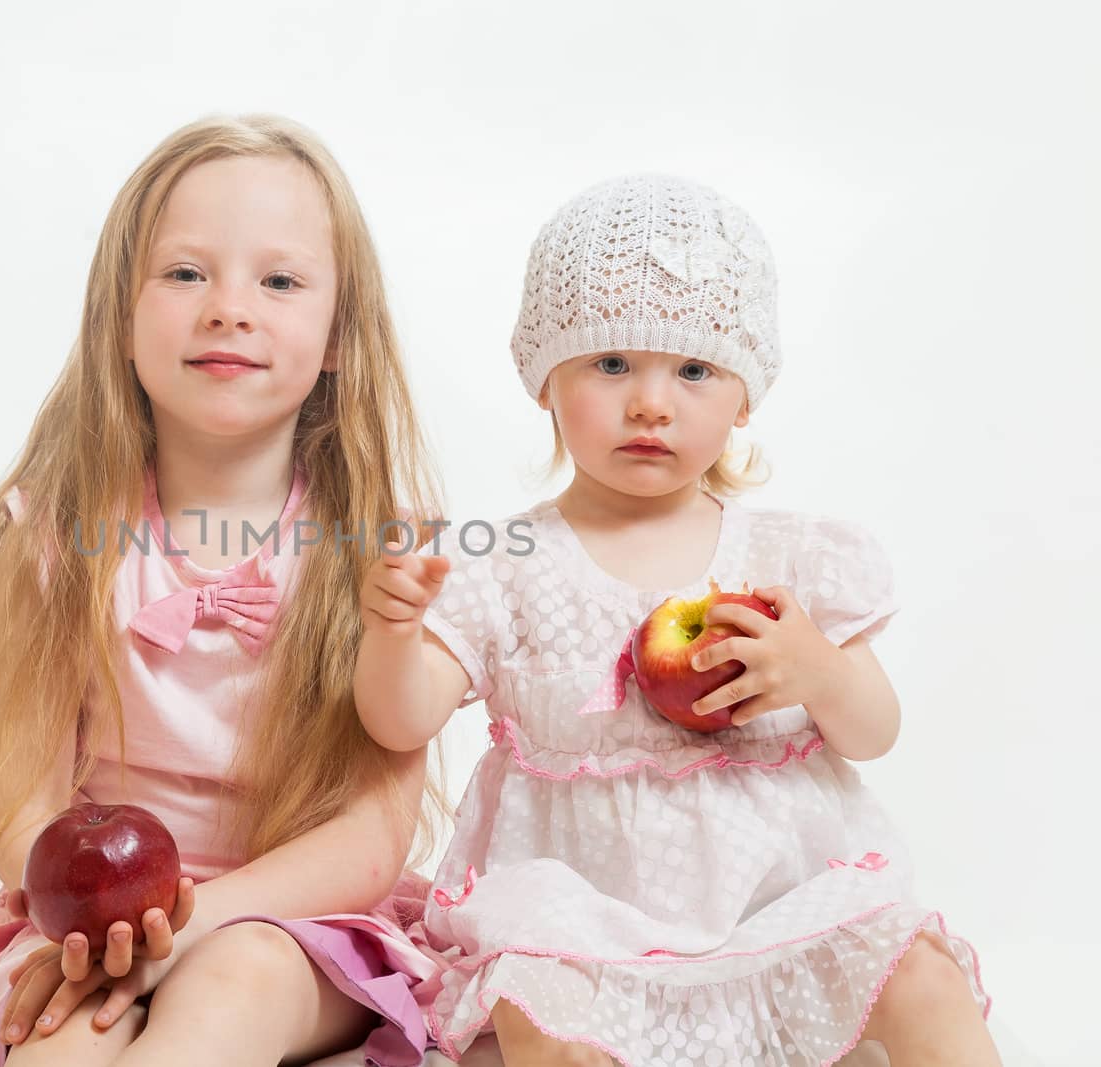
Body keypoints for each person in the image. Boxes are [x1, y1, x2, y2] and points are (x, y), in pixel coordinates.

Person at [354, 174, 995, 1066]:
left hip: (780, 901)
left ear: (745, 397)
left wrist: (817, 670)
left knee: (924, 979)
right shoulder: (506, 562)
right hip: (581, 915)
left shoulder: (789, 559)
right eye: (610, 364)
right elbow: (401, 717)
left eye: (693, 369)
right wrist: (391, 630)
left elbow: (875, 730)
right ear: (547, 382)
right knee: (547, 1023)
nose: (652, 401)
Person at [0, 114, 445, 1067]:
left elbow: (371, 832)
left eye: (280, 280)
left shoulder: (378, 549)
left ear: (339, 333)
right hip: (94, 927)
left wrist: (198, 921)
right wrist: (103, 934)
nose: (229, 307)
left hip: (291, 923)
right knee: (60, 1044)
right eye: (185, 273)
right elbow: (22, 798)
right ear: (120, 317)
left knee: (236, 983)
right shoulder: (52, 533)